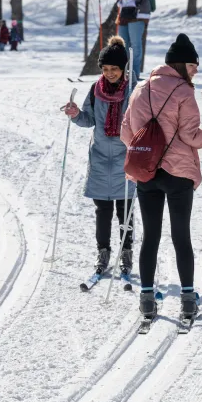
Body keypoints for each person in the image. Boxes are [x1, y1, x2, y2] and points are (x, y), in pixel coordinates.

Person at [121, 34, 202, 320]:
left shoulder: (140, 89)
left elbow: (126, 132)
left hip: (147, 173)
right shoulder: (184, 92)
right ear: (181, 64)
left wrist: (148, 152)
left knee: (150, 236)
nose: (196, 70)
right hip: (179, 174)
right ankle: (188, 299)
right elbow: (191, 135)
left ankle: (147, 299)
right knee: (181, 236)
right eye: (193, 64)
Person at [64, 36, 135, 277]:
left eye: (114, 69)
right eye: (105, 69)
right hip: (101, 157)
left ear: (124, 67)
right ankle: (103, 251)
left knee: (125, 210)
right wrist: (75, 114)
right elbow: (89, 119)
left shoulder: (134, 89)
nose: (109, 73)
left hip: (126, 158)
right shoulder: (96, 89)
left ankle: (127, 252)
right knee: (102, 210)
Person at [97, 0, 151, 83]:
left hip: (137, 13)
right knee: (121, 46)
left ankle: (134, 75)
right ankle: (123, 74)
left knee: (135, 45)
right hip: (124, 12)